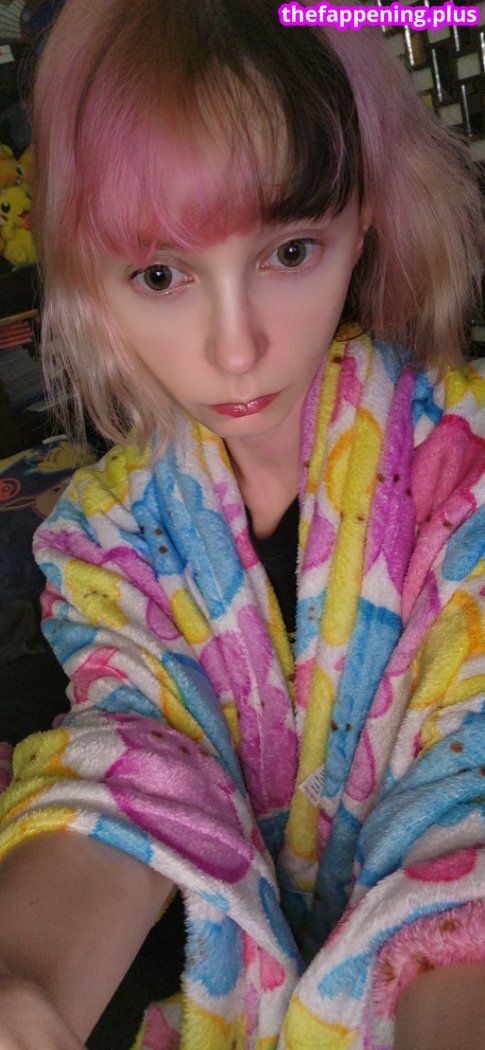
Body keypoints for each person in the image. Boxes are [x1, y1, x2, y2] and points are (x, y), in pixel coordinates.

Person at [0, 1, 484, 1047]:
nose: (235, 348)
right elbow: (137, 757)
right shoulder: (103, 539)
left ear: (365, 217)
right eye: (161, 275)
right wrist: (25, 981)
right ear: (91, 277)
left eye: (289, 251)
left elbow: (470, 780)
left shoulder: (471, 469)